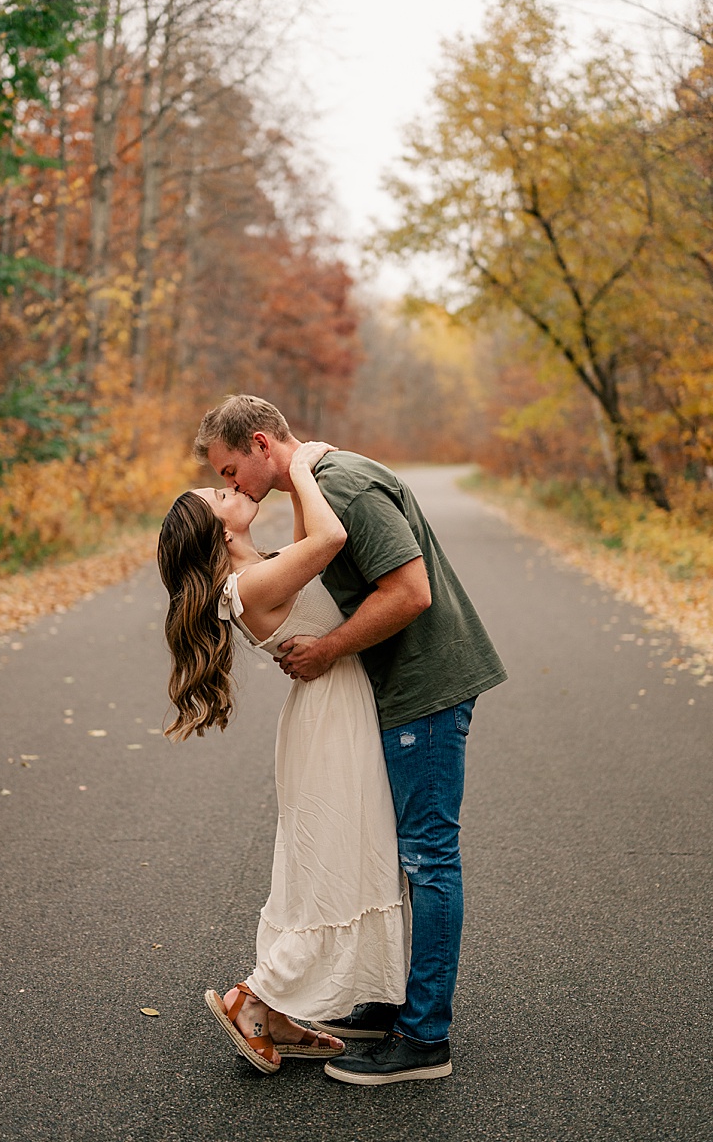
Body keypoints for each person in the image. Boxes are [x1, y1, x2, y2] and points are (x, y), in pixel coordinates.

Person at [193, 395, 508, 1087]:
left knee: (428, 855)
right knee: (399, 852)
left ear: (258, 443)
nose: (233, 484)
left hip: (422, 685)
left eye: (228, 469)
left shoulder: (344, 486)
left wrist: (330, 648)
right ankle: (390, 998)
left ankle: (423, 1037)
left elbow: (409, 592)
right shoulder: (319, 490)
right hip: (391, 692)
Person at [157, 441, 410, 1076]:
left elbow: (307, 545)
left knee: (331, 858)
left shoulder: (260, 567)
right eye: (221, 495)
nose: (232, 490)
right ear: (217, 534)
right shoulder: (248, 581)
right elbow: (328, 538)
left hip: (332, 708)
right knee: (333, 859)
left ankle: (276, 1010)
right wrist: (301, 466)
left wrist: (296, 485)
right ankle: (256, 997)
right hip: (330, 717)